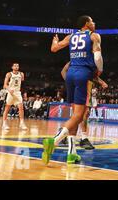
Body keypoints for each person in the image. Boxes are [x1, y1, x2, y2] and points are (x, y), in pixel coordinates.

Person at [42, 15, 103, 165]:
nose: (94, 23)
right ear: (86, 24)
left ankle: (72, 153)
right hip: (83, 74)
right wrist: (100, 70)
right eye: (92, 21)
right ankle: (54, 140)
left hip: (70, 74)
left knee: (74, 115)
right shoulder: (94, 36)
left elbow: (54, 48)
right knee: (79, 115)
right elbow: (97, 57)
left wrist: (54, 41)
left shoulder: (71, 36)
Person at [61, 61, 108, 149]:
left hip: (87, 87)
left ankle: (66, 133)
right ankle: (82, 138)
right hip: (78, 87)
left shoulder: (90, 60)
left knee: (83, 114)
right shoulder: (75, 60)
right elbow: (63, 71)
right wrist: (70, 83)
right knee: (81, 113)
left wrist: (101, 82)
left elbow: (93, 76)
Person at [2, 63, 27, 131]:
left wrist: (24, 93)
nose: (16, 67)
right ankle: (4, 123)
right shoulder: (9, 74)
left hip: (17, 92)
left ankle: (21, 123)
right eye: (15, 66)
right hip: (10, 92)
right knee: (7, 108)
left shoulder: (21, 74)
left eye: (18, 66)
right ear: (12, 67)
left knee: (21, 108)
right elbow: (5, 85)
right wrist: (9, 89)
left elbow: (23, 85)